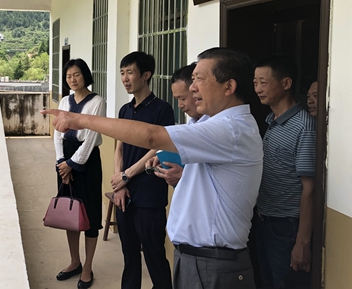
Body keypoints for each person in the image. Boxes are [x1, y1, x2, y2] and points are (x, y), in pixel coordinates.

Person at [43, 47, 263, 289]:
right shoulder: (211, 124)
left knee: (153, 255)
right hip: (198, 258)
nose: (192, 88)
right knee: (130, 254)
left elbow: (151, 137)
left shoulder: (230, 129)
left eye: (199, 79)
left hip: (213, 263)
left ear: (229, 87)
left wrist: (79, 119)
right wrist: (183, 175)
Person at [109, 51, 174, 289]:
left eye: (130, 73)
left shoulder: (162, 109)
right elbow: (119, 148)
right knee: (129, 256)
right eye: (122, 73)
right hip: (124, 193)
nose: (125, 79)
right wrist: (119, 183)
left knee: (154, 255)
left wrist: (127, 175)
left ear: (146, 75)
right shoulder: (124, 110)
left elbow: (158, 147)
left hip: (149, 193)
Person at [254, 56, 316, 288]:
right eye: (255, 83)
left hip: (286, 228)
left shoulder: (304, 125)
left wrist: (302, 242)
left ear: (286, 83)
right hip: (264, 221)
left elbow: (309, 188)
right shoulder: (271, 121)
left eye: (263, 82)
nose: (257, 89)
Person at [53, 58, 106, 289]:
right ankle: (74, 261)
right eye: (68, 76)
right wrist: (61, 162)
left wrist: (72, 165)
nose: (72, 79)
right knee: (70, 211)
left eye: (76, 74)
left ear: (85, 75)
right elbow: (58, 134)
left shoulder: (97, 102)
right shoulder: (65, 101)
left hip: (87, 161)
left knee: (90, 214)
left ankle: (87, 267)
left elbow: (92, 137)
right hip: (65, 159)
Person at [153, 62, 208, 187]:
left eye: (183, 99)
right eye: (177, 99)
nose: (180, 105)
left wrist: (183, 176)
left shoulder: (214, 127)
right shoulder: (192, 123)